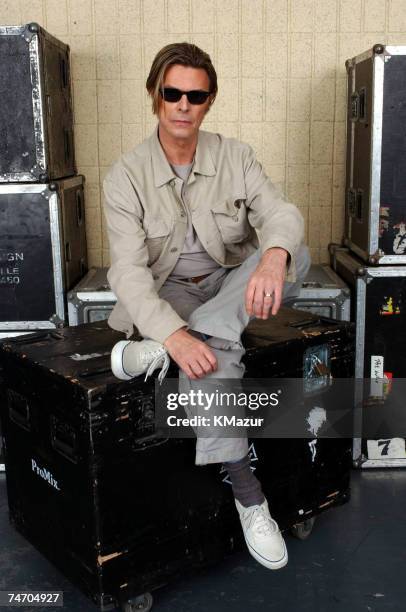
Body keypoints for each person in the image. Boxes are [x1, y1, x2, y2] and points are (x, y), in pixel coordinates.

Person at [103, 42, 310, 571]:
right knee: (211, 354)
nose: (183, 105)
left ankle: (153, 351)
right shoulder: (124, 175)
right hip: (168, 288)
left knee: (297, 253)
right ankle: (249, 495)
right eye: (172, 93)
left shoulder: (236, 156)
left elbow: (280, 211)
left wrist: (272, 257)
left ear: (209, 101)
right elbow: (128, 272)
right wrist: (175, 334)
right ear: (155, 95)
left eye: (195, 96)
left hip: (227, 284)